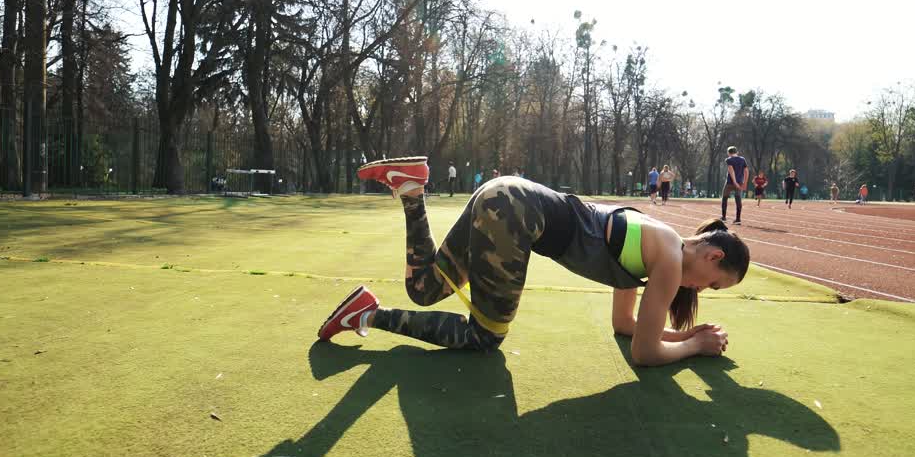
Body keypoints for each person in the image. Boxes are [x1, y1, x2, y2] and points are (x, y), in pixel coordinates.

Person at [318, 157, 747, 366]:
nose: (701, 290)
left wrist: (682, 333)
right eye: (713, 283)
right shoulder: (670, 260)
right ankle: (370, 317)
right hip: (516, 216)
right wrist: (695, 344)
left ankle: (411, 191)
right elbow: (643, 353)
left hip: (505, 195)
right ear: (714, 255)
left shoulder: (657, 244)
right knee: (485, 337)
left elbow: (626, 327)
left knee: (424, 289)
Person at [721, 146, 748, 224]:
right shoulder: (743, 159)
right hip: (740, 182)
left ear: (728, 153)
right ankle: (738, 219)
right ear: (737, 152)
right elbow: (746, 171)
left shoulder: (729, 160)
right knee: (738, 199)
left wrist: (734, 182)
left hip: (730, 182)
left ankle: (723, 217)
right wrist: (745, 183)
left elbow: (731, 171)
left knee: (725, 198)